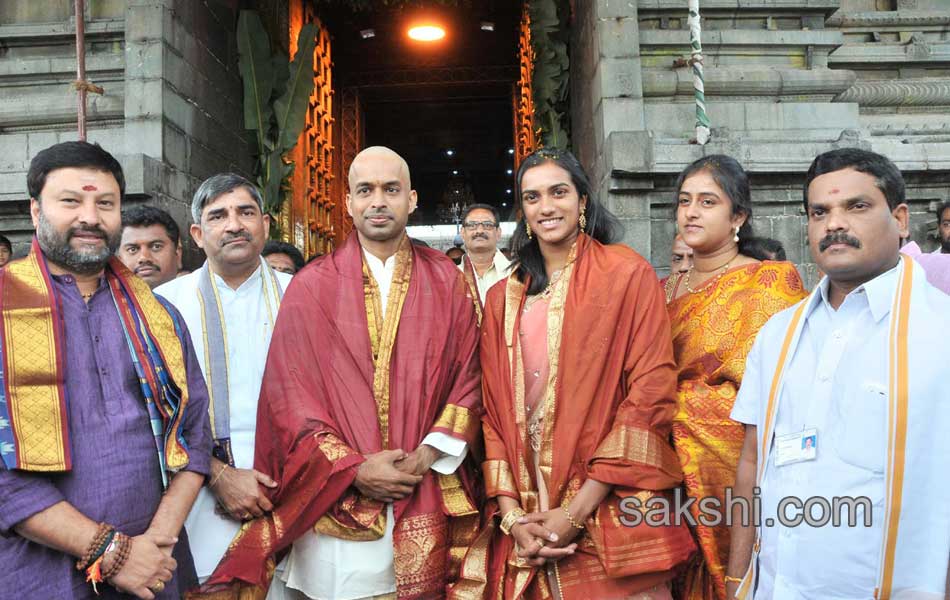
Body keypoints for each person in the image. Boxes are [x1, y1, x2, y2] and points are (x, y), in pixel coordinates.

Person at [199, 147, 483, 599]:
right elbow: (290, 396)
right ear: (348, 202)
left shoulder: (449, 282)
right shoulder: (312, 286)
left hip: (423, 482)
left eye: (391, 190)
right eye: (365, 190)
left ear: (411, 199)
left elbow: (470, 377)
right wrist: (353, 468)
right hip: (336, 502)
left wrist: (426, 456)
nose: (378, 202)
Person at [726, 148, 950, 599]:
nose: (834, 224)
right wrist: (736, 581)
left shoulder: (940, 329)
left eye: (857, 206)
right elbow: (752, 460)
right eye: (819, 212)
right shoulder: (778, 333)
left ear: (901, 219)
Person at [476, 148, 695, 599]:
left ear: (582, 202)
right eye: (532, 197)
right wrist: (514, 517)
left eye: (559, 192)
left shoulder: (625, 274)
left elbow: (650, 393)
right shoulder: (503, 297)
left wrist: (574, 512)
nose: (546, 207)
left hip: (608, 499)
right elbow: (493, 412)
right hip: (528, 506)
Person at [0, 141, 212, 599]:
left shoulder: (159, 316)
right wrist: (113, 552)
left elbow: (194, 436)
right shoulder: (3, 307)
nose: (90, 218)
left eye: (106, 203)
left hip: (155, 570)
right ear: (36, 211)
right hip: (38, 576)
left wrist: (154, 545)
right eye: (71, 201)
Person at [664, 155, 807, 600]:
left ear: (738, 216)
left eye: (708, 202)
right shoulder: (663, 290)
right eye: (685, 201)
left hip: (732, 459)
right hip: (664, 468)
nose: (691, 211)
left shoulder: (770, 282)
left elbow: (785, 388)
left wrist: (688, 409)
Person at [155, 174, 292, 585]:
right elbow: (156, 408)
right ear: (198, 233)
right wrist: (219, 475)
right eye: (218, 216)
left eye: (246, 212)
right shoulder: (164, 305)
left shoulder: (302, 294)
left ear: (265, 224)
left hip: (295, 484)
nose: (234, 224)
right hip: (199, 488)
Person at [118, 205, 182, 288]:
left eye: (156, 246)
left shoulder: (197, 298)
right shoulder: (104, 300)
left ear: (178, 255)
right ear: (119, 260)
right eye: (132, 249)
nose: (144, 258)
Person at [458, 203, 511, 304]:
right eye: (472, 225)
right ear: (463, 233)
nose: (479, 230)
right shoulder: (452, 275)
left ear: (498, 232)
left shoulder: (516, 274)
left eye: (487, 225)